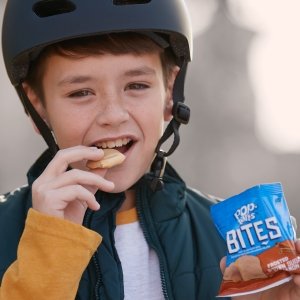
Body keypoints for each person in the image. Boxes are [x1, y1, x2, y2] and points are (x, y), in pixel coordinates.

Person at [0, 0, 299, 299]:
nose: (113, 115)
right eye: (81, 92)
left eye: (136, 86)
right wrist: (46, 263)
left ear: (170, 92)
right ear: (36, 105)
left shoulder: (228, 239)